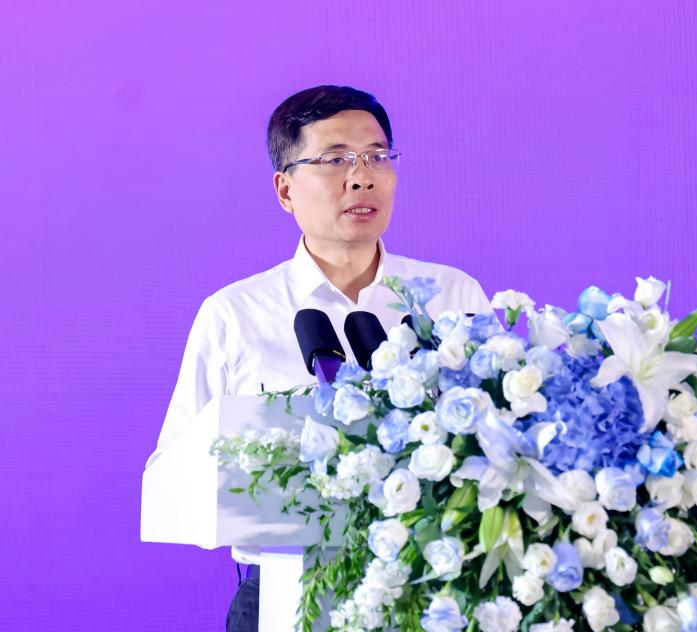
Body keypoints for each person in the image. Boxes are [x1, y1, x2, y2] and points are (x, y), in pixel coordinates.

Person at [146, 85, 493, 631]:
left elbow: (497, 444)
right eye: (334, 160)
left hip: (430, 591)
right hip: (286, 597)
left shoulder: (452, 296)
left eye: (377, 157)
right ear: (285, 190)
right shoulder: (236, 314)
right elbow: (171, 472)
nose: (362, 177)